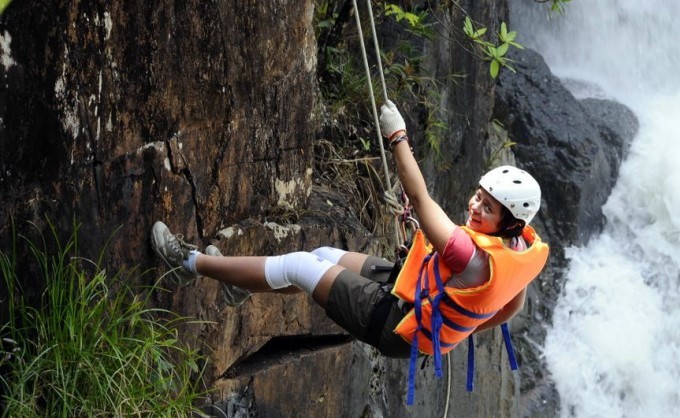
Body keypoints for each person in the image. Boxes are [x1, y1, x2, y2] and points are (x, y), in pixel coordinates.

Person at [151, 100, 549, 397]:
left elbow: (419, 195)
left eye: (487, 207)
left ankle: (189, 262)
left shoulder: (472, 256)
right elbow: (512, 306)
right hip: (409, 297)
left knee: (300, 267)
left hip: (397, 326)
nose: (475, 206)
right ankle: (240, 284)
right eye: (478, 196)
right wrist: (455, 325)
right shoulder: (519, 248)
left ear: (510, 221)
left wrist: (397, 136)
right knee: (323, 255)